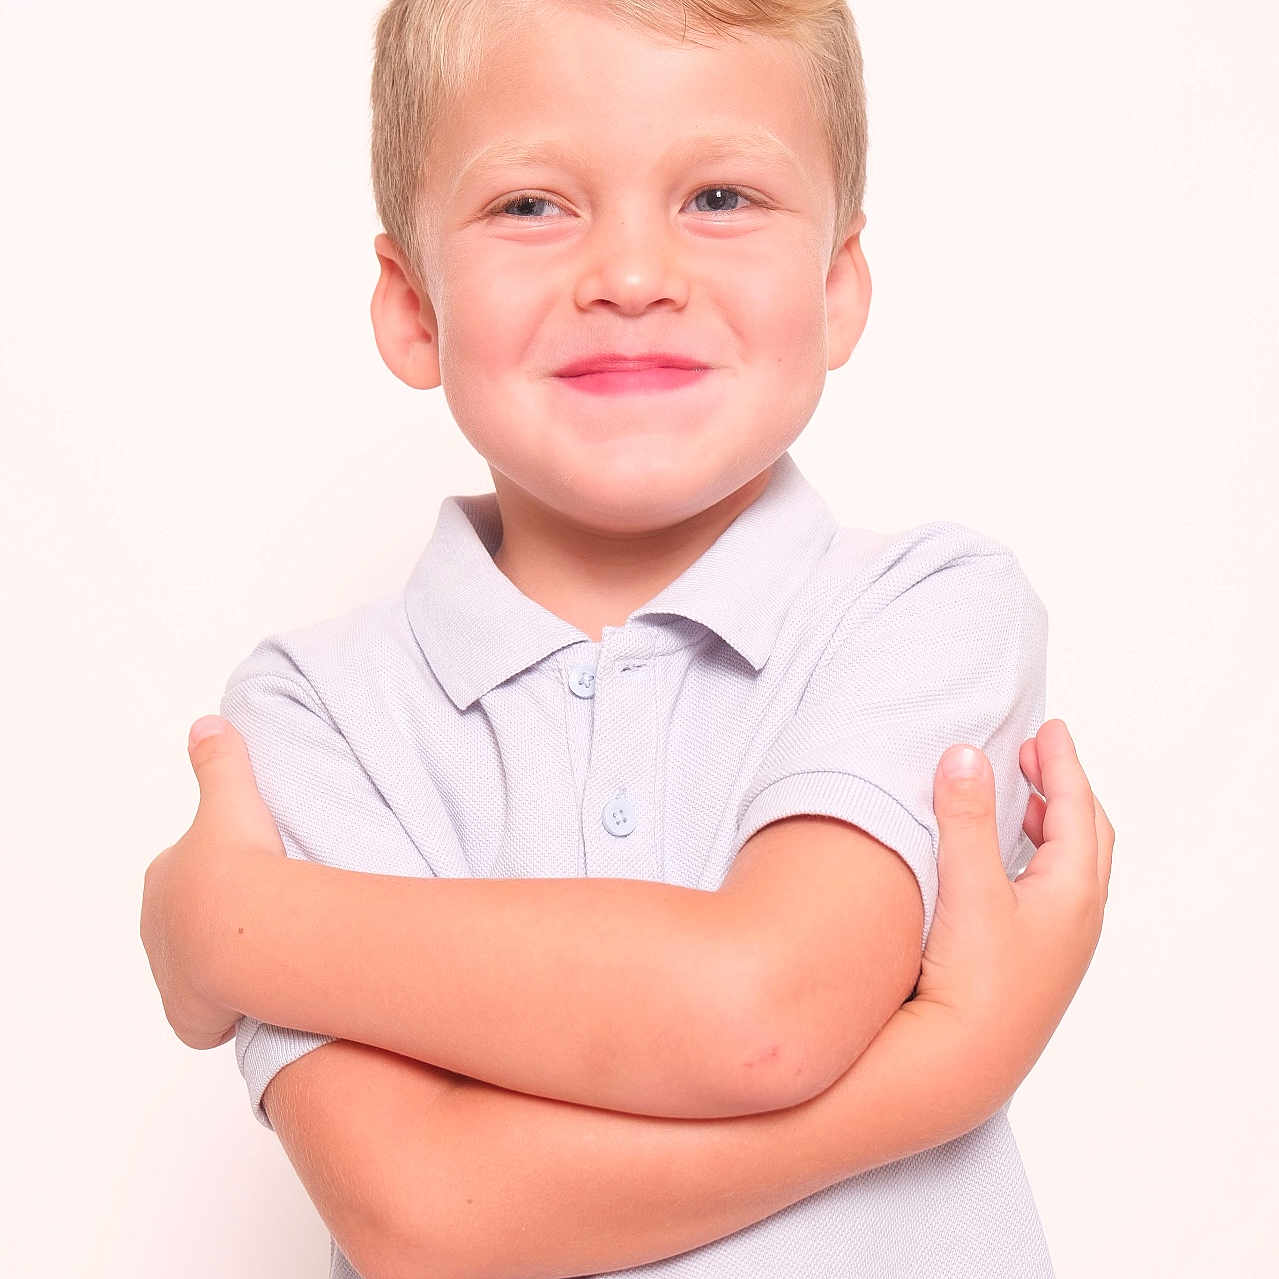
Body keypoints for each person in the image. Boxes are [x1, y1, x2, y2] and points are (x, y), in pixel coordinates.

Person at [139, 3, 1116, 1276]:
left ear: (836, 288)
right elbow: (421, 1215)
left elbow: (761, 1007)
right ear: (413, 309)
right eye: (533, 206)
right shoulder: (309, 714)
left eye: (718, 194)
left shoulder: (928, 610)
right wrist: (936, 1068)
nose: (634, 273)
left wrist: (239, 929)